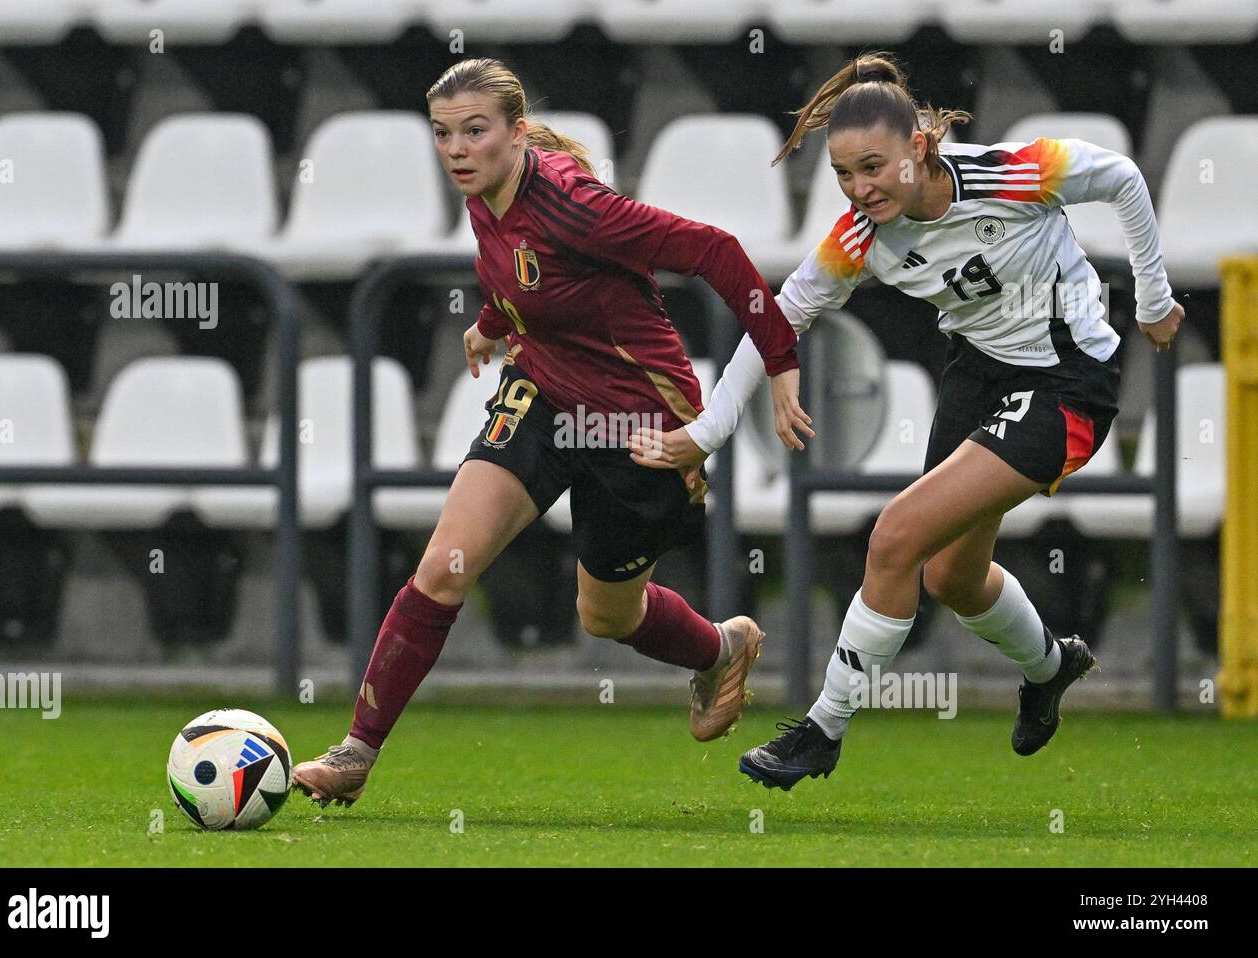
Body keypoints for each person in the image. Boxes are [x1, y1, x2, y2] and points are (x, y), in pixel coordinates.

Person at [629, 52, 1184, 791]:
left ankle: (821, 731)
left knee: (894, 536)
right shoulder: (860, 237)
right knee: (952, 575)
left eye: (874, 167)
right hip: (978, 377)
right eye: (844, 176)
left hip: (1068, 385)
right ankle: (1052, 667)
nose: (860, 190)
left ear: (919, 148)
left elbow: (1121, 177)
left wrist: (1152, 298)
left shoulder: (1012, 173)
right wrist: (708, 432)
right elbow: (775, 317)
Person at [292, 58, 813, 807]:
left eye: (475, 131)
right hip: (541, 395)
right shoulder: (482, 194)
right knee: (445, 564)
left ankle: (720, 645)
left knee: (605, 615)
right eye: (444, 135)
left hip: (637, 420)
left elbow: (716, 251)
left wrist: (781, 360)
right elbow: (514, 270)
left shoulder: (577, 206)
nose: (458, 150)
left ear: (515, 131)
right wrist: (490, 324)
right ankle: (355, 753)